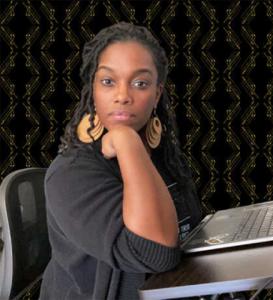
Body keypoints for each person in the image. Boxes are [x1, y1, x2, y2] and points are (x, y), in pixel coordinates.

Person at [39, 22, 202, 300]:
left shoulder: (163, 156)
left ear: (157, 94)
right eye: (108, 81)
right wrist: (126, 140)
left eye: (140, 83)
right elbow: (156, 253)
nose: (123, 96)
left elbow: (189, 228)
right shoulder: (70, 173)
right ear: (93, 90)